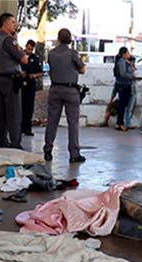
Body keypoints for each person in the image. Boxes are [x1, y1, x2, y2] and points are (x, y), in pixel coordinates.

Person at [43, 28, 86, 163]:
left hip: (55, 88)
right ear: (69, 39)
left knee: (52, 121)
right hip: (70, 89)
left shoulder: (51, 54)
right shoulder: (73, 53)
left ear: (59, 38)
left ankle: (48, 150)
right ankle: (74, 154)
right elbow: (82, 70)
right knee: (72, 123)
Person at [0, 13, 27, 149]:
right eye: (12, 22)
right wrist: (20, 50)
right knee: (14, 113)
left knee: (0, 114)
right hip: (11, 80)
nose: (14, 25)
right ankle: (16, 143)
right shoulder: (9, 40)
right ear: (4, 23)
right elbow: (24, 59)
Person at [20, 39, 43, 136]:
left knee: (29, 107)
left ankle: (27, 128)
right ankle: (19, 127)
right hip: (21, 84)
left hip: (30, 85)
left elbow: (40, 72)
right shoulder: (20, 56)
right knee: (20, 106)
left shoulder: (35, 58)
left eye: (31, 49)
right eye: (28, 48)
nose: (29, 51)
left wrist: (34, 76)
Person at [114, 47, 133, 132]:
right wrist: (131, 76)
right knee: (122, 105)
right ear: (124, 54)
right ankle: (120, 123)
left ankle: (119, 123)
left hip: (123, 85)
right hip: (123, 85)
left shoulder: (124, 62)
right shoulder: (121, 62)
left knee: (122, 104)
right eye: (127, 52)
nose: (129, 54)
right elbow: (123, 73)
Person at [125, 56, 138, 128]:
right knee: (129, 108)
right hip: (130, 90)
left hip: (132, 90)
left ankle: (128, 122)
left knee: (129, 108)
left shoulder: (130, 68)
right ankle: (127, 123)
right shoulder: (129, 69)